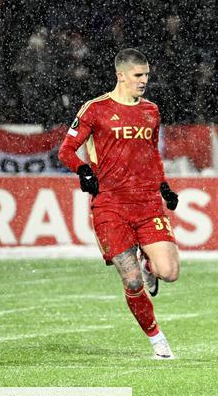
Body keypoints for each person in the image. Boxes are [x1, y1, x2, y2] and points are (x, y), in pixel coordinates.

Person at [58, 48, 181, 359]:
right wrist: (84, 171)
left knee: (169, 272)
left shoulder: (151, 111)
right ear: (121, 75)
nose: (144, 81)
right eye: (138, 75)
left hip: (148, 202)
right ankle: (158, 341)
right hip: (110, 205)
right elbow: (66, 151)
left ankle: (150, 264)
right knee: (130, 278)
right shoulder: (95, 109)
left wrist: (164, 185)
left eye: (147, 76)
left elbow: (152, 154)